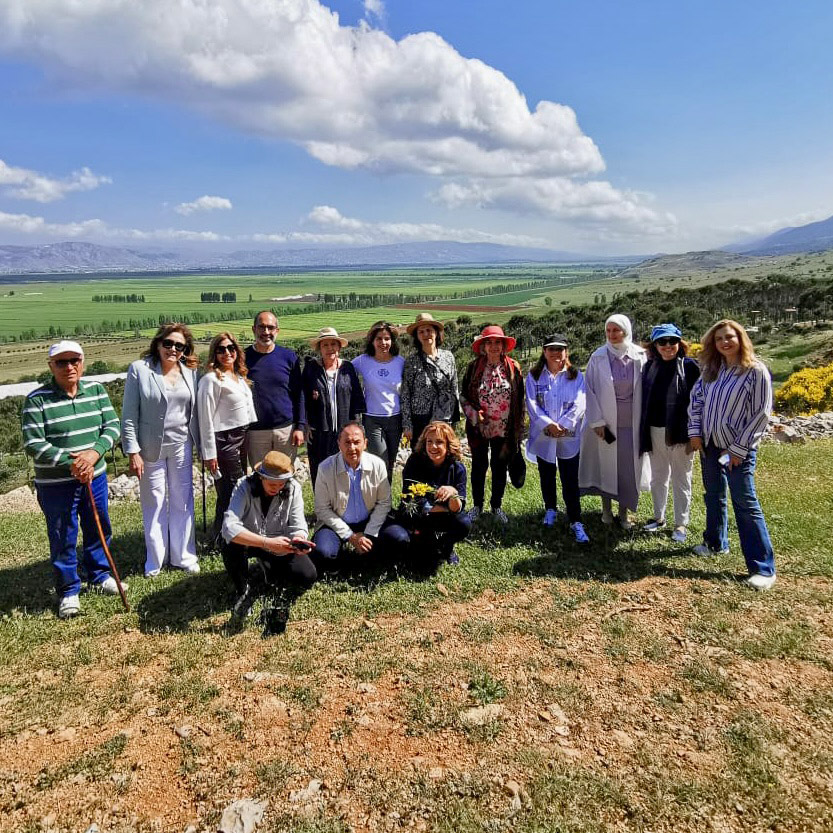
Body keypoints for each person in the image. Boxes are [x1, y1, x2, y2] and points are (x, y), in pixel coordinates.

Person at [22, 341, 125, 619]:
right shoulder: (37, 399)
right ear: (50, 366)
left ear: (83, 362)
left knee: (99, 526)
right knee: (62, 534)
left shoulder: (97, 391)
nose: (69, 367)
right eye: (61, 362)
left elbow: (112, 426)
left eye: (74, 360)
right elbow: (33, 443)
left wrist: (93, 454)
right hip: (56, 483)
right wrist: (73, 463)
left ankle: (100, 574)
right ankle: (68, 591)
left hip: (95, 476)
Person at [688, 319, 776, 590]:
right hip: (711, 447)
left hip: (735, 450)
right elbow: (697, 401)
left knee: (744, 500)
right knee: (713, 494)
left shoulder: (755, 371)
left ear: (741, 339)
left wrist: (738, 449)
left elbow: (761, 414)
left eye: (729, 337)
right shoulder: (712, 370)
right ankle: (715, 543)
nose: (724, 342)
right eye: (718, 339)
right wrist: (695, 432)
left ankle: (763, 567)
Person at [122, 323, 201, 577]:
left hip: (181, 444)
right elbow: (129, 415)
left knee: (183, 500)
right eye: (168, 343)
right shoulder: (140, 370)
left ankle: (183, 556)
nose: (174, 349)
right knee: (153, 502)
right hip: (149, 448)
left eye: (180, 346)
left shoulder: (190, 371)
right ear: (158, 344)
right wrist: (133, 451)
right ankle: (155, 561)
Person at [221, 451, 317, 620]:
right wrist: (266, 543)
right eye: (272, 483)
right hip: (249, 541)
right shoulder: (243, 486)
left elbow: (298, 523)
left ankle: (265, 568)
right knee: (229, 543)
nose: (277, 487)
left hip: (279, 543)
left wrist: (299, 539)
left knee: (307, 575)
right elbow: (229, 527)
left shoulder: (294, 488)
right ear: (260, 477)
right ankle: (242, 589)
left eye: (281, 483)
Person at [579, 314, 650, 529]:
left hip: (632, 423)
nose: (612, 335)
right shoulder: (598, 357)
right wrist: (597, 421)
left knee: (627, 470)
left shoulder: (640, 356)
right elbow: (588, 390)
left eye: (616, 330)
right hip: (606, 425)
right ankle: (606, 510)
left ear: (626, 331)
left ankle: (623, 513)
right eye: (608, 331)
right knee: (606, 467)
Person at [312, 422, 409, 566]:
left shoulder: (378, 464)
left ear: (365, 443)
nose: (352, 448)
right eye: (347, 442)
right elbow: (322, 509)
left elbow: (384, 503)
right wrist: (350, 536)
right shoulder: (325, 468)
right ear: (339, 444)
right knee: (323, 552)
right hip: (338, 522)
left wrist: (368, 532)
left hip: (370, 519)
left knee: (400, 538)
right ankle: (346, 561)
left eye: (357, 442)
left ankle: (371, 552)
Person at [639, 324, 701, 543]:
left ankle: (681, 524)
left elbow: (698, 403)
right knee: (658, 476)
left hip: (680, 432)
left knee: (681, 478)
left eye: (672, 341)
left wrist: (696, 432)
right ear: (654, 345)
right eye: (662, 342)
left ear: (679, 343)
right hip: (654, 430)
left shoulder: (690, 367)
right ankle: (658, 517)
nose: (668, 346)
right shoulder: (649, 368)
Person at [525, 334, 589, 543]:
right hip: (545, 436)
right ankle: (550, 509)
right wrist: (548, 425)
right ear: (544, 351)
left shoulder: (576, 376)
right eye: (551, 349)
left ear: (566, 352)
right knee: (547, 475)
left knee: (570, 479)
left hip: (568, 436)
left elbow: (581, 402)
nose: (555, 353)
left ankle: (575, 520)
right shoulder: (534, 376)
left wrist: (563, 425)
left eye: (559, 349)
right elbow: (532, 404)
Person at [460, 325, 524, 524]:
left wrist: (518, 431)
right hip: (479, 429)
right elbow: (463, 397)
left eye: (498, 342)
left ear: (504, 345)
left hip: (504, 429)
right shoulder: (473, 368)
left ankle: (496, 506)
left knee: (499, 467)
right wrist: (473, 414)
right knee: (479, 466)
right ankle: (477, 505)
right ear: (483, 346)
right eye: (490, 342)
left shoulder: (513, 368)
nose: (494, 346)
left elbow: (520, 400)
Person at [197, 332, 257, 545]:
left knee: (236, 487)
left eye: (230, 348)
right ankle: (222, 538)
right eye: (221, 349)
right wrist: (209, 453)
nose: (226, 353)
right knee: (231, 490)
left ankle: (229, 534)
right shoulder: (210, 380)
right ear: (214, 353)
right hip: (224, 440)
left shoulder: (239, 377)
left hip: (242, 435)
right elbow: (205, 419)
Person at [398, 421, 472, 567]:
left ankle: (447, 546)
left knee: (463, 523)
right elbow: (409, 499)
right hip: (418, 515)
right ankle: (425, 542)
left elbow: (458, 508)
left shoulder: (457, 468)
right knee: (424, 560)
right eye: (429, 442)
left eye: (439, 442)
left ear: (448, 445)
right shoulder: (414, 462)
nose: (433, 446)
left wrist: (453, 493)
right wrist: (441, 509)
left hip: (443, 515)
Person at [302, 327, 366, 486]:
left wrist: (356, 426)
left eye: (333, 344)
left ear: (339, 347)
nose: (330, 348)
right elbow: (302, 397)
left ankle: (346, 506)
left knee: (346, 469)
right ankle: (322, 508)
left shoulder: (347, 368)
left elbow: (357, 398)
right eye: (325, 345)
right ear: (319, 348)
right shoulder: (311, 369)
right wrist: (306, 423)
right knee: (320, 470)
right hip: (319, 431)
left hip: (345, 431)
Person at [244, 311, 306, 468]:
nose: (266, 332)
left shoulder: (289, 357)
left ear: (277, 331)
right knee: (259, 478)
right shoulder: (243, 358)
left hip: (285, 430)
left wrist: (300, 426)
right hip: (255, 432)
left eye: (270, 328)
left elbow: (299, 394)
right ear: (254, 329)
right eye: (261, 327)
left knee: (285, 475)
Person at [351, 321, 405, 482]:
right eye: (379, 339)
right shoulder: (362, 361)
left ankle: (385, 502)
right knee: (379, 461)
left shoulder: (400, 362)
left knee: (390, 462)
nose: (383, 343)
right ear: (372, 341)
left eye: (387, 338)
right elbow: (342, 369)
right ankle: (381, 504)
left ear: (392, 341)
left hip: (396, 418)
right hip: (372, 419)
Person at [401, 313, 460, 446]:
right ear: (417, 336)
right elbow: (405, 394)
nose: (426, 334)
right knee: (422, 457)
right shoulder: (411, 361)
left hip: (444, 417)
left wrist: (455, 417)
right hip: (421, 418)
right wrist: (407, 425)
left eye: (429, 330)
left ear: (436, 333)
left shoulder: (448, 357)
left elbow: (454, 387)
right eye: (421, 331)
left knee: (443, 454)